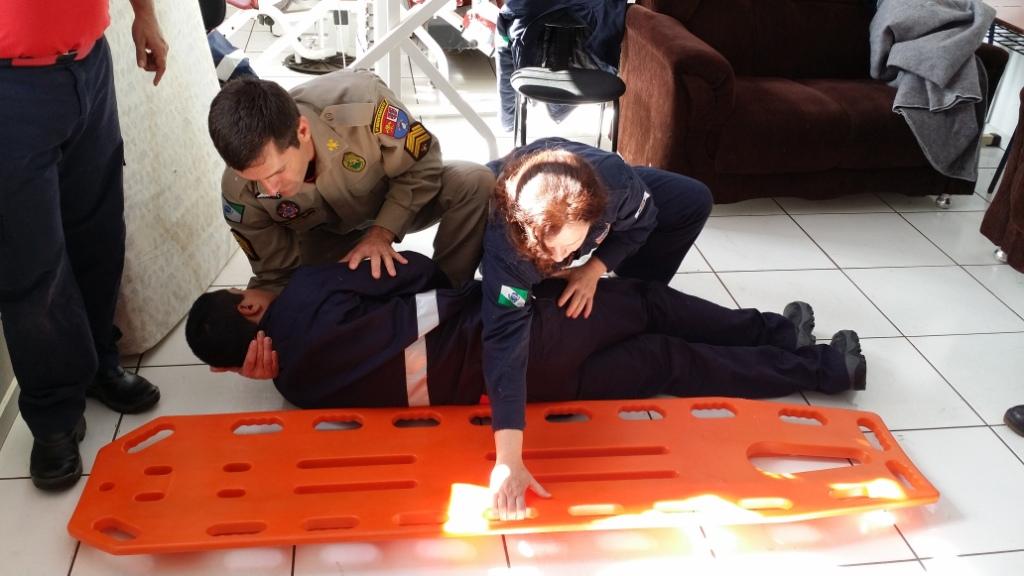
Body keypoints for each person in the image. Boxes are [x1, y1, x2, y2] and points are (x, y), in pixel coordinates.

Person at [185, 253, 867, 512]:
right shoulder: (306, 291)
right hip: (517, 332)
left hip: (522, 391)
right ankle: (780, 333)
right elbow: (419, 273)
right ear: (247, 308)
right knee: (642, 302)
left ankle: (824, 369)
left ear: (231, 366)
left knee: (664, 363)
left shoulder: (298, 393)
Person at [0, 0, 168, 491]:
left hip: (90, 65)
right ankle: (53, 414)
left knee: (99, 230)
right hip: (11, 87)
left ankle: (97, 362)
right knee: (31, 262)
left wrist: (145, 15)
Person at [208, 70, 494, 293]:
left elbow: (422, 166)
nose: (270, 189)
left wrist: (383, 231)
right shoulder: (238, 192)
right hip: (324, 242)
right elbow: (276, 275)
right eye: (256, 180)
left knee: (475, 182)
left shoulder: (364, 104)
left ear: (302, 131)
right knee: (288, 304)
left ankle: (449, 296)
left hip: (393, 201)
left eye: (276, 172)